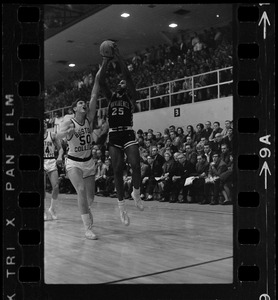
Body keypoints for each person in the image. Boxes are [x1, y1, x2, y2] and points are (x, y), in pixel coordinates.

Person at [55, 62, 104, 240]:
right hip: (74, 162)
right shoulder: (69, 121)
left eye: (84, 103)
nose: (84, 104)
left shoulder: (89, 119)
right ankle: (88, 228)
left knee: (90, 198)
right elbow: (57, 135)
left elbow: (94, 93)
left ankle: (85, 209)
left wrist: (99, 74)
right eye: (80, 103)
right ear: (75, 108)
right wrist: (65, 133)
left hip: (89, 162)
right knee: (81, 191)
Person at [99, 44, 144, 226]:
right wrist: (105, 60)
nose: (121, 82)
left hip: (127, 132)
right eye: (120, 82)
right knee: (117, 170)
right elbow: (101, 81)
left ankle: (136, 192)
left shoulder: (131, 95)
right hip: (114, 136)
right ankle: (121, 208)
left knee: (135, 164)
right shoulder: (111, 97)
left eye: (123, 83)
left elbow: (127, 76)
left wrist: (118, 56)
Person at [44, 120, 64, 221]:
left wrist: (60, 156)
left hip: (51, 160)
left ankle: (52, 209)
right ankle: (43, 211)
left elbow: (60, 148)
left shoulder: (52, 135)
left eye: (44, 124)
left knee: (56, 186)